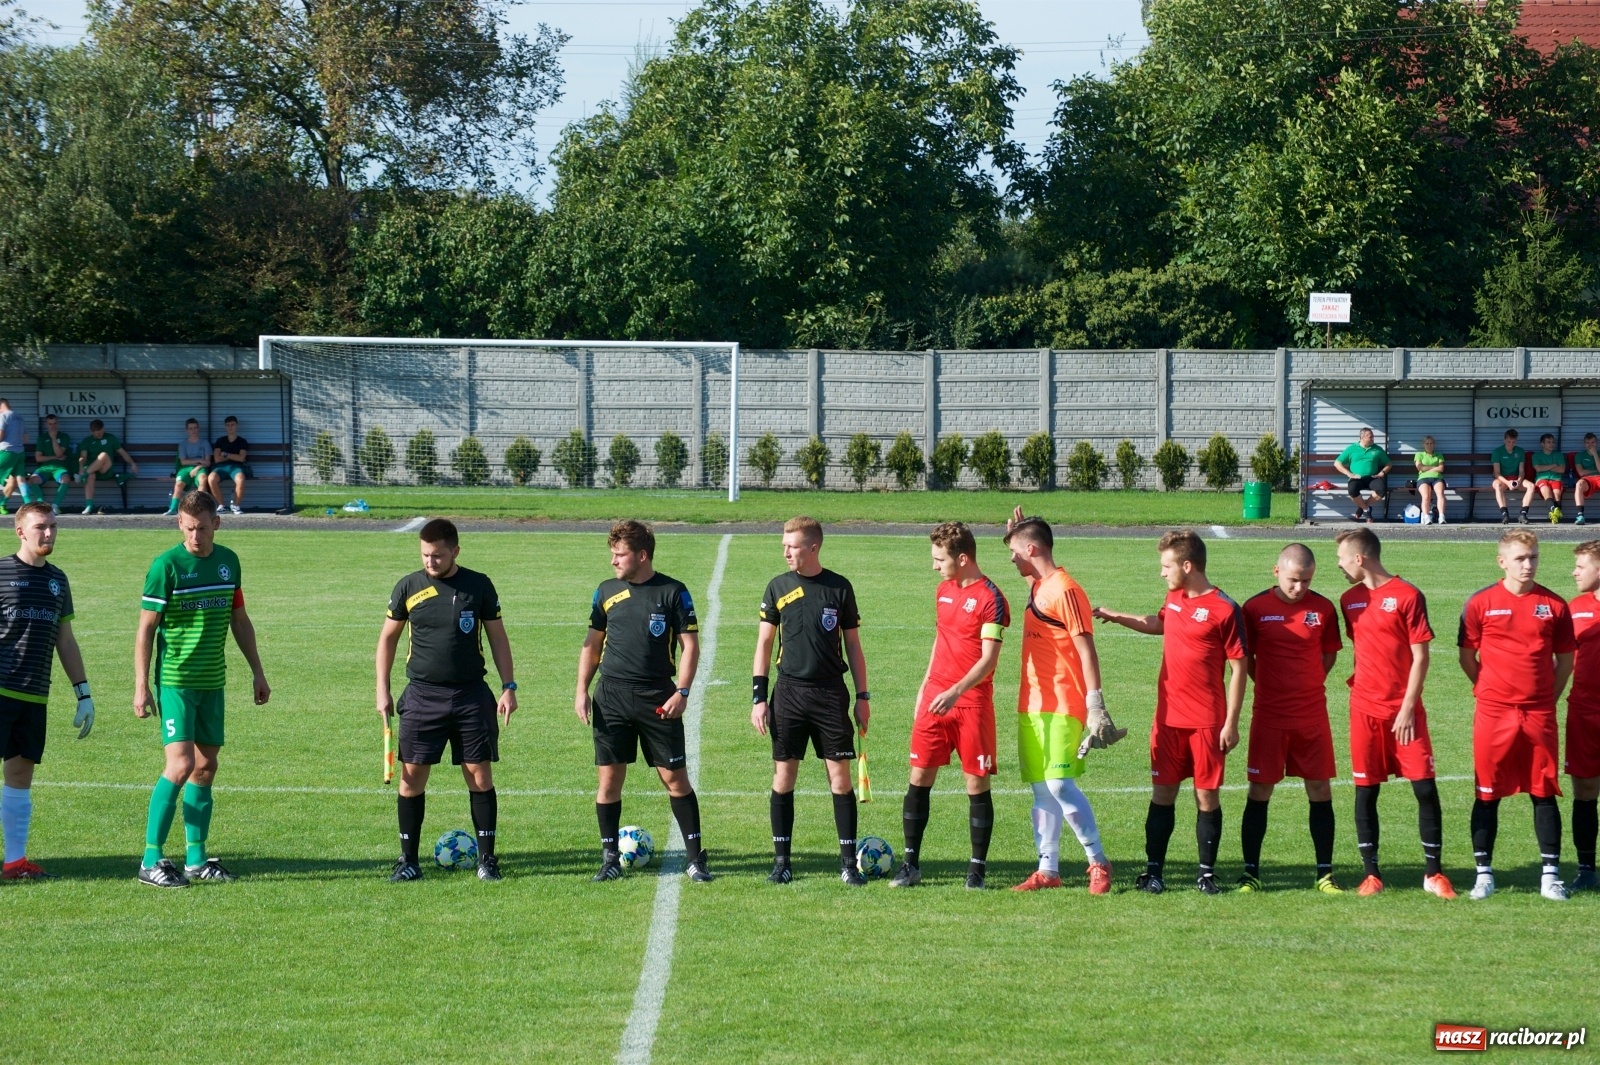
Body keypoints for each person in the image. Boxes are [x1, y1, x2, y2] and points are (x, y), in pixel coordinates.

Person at [1094, 530, 1245, 895]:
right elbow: (1160, 623)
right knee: (1162, 795)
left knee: (1206, 797)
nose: (1162, 573)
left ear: (1187, 565)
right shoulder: (1174, 596)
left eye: (1166, 565)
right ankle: (1154, 872)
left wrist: (1231, 723)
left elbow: (1239, 668)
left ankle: (1206, 874)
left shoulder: (1225, 609)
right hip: (1167, 720)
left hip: (1207, 722)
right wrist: (1114, 615)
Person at [133, 491, 269, 887]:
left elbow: (239, 620)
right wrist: (142, 686)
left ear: (217, 524)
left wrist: (258, 672)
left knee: (206, 768)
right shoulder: (166, 567)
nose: (196, 537)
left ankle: (195, 858)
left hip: (214, 680)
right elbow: (145, 629)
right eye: (189, 528)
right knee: (180, 766)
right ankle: (150, 860)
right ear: (180, 524)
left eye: (203, 528)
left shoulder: (229, 562)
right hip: (176, 680)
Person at [378, 518, 516, 882]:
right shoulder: (408, 586)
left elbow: (498, 638)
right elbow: (388, 640)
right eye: (425, 555)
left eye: (437, 555)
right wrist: (382, 689)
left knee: (480, 776)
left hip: (471, 695)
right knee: (411, 778)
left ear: (455, 550)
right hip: (423, 695)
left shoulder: (479, 585)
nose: (430, 562)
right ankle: (408, 860)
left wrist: (509, 686)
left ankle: (487, 861)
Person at [998, 511, 1124, 894]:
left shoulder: (1066, 590)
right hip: (1032, 703)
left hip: (1063, 703)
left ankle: (1098, 861)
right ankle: (1048, 869)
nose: (1011, 559)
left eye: (1015, 552)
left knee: (1059, 784)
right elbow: (1034, 583)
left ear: (1032, 548)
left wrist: (1095, 705)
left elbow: (1087, 651)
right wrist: (1013, 535)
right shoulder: (1039, 586)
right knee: (1041, 789)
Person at [577, 520, 710, 883]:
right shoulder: (606, 591)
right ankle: (609, 859)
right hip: (612, 697)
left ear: (642, 555)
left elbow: (691, 647)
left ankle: (696, 858)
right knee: (608, 782)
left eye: (619, 555)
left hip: (657, 698)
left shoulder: (673, 592)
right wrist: (581, 690)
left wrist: (682, 692)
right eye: (612, 555)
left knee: (675, 780)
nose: (613, 562)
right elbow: (591, 644)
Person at [1335, 528, 1453, 898]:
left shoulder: (1408, 595)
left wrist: (1406, 709)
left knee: (1424, 788)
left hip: (1405, 713)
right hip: (1364, 710)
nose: (1337, 565)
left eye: (1341, 558)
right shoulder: (1349, 600)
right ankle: (1372, 874)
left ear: (1360, 557)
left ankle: (1433, 874)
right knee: (1366, 791)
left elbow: (1421, 656)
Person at [1457, 529, 1575, 901]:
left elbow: (1566, 661)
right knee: (1487, 791)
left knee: (1544, 790)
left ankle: (1550, 876)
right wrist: (1490, 690)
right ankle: (1483, 874)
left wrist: (1546, 698)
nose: (1528, 565)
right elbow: (1466, 657)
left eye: (1534, 557)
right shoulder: (1480, 603)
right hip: (1493, 713)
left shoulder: (1554, 605)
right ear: (1502, 561)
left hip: (1539, 712)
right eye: (1521, 558)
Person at [891, 522, 1009, 890]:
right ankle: (910, 865)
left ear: (962, 557)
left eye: (939, 559)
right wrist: (925, 687)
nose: (934, 566)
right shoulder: (942, 590)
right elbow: (940, 641)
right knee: (919, 777)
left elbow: (989, 660)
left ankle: (976, 870)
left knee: (976, 784)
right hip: (935, 700)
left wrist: (956, 691)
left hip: (970, 704)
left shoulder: (992, 598)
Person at [752, 516, 868, 885]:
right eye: (784, 545)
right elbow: (765, 644)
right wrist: (759, 698)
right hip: (788, 693)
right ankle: (782, 862)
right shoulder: (777, 586)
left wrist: (863, 696)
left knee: (840, 779)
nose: (786, 551)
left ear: (813, 547)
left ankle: (848, 863)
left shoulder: (840, 588)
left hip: (831, 693)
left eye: (793, 545)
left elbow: (853, 645)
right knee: (783, 778)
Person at [1239, 544, 1344, 893]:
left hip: (1312, 715)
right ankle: (1250, 873)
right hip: (1269, 715)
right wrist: (1270, 684)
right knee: (1260, 789)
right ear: (1276, 571)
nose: (1300, 588)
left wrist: (1308, 682)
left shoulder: (1324, 608)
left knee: (1319, 788)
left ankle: (1325, 873)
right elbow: (1245, 658)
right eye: (1293, 580)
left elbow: (1328, 655)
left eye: (1307, 581)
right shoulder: (1254, 609)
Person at [0, 503, 95, 879]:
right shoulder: (1, 572)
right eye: (41, 527)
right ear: (20, 531)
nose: (49, 534)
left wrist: (83, 693)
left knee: (20, 775)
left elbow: (65, 640)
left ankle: (14, 861)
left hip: (35, 695)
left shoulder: (58, 580)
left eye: (54, 526)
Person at [1566, 541, 1600, 892]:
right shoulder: (1574, 609)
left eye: (1581, 565)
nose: (1574, 572)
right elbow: (1557, 664)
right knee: (1585, 789)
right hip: (1584, 712)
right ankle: (1586, 868)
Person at [78, 419, 138, 516]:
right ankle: (89, 506)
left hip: (105, 470)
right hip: (93, 470)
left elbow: (122, 453)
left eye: (101, 432)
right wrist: (81, 467)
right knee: (91, 476)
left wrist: (132, 463)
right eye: (97, 434)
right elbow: (83, 457)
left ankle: (84, 474)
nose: (100, 435)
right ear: (91, 431)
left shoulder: (111, 438)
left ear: (103, 428)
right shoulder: (86, 441)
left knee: (104, 455)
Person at [1333, 427, 1390, 524]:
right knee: (1352, 490)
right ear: (1362, 437)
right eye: (1370, 437)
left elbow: (1389, 464)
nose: (1373, 438)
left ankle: (1362, 507)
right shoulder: (1351, 449)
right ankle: (1367, 510)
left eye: (1373, 436)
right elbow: (1337, 463)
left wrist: (1382, 473)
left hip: (1372, 477)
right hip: (1357, 478)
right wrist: (1349, 474)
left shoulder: (1377, 449)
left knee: (1381, 490)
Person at [24, 413, 75, 515]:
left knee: (66, 478)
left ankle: (55, 506)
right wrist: (56, 457)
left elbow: (59, 453)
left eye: (55, 423)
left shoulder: (64, 436)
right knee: (32, 479)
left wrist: (53, 439)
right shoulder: (42, 438)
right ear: (46, 425)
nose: (53, 426)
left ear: (58, 424)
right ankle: (41, 506)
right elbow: (38, 458)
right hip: (45, 467)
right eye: (50, 424)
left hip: (59, 468)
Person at [206, 416, 249, 515]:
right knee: (211, 478)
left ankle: (236, 506)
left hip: (236, 467)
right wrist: (233, 456)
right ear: (225, 427)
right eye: (228, 425)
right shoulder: (220, 441)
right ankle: (221, 505)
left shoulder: (242, 441)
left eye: (232, 425)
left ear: (236, 425)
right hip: (221, 468)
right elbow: (217, 459)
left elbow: (241, 458)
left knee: (241, 479)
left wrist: (225, 454)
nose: (230, 427)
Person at [169, 419, 212, 516]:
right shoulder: (183, 444)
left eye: (195, 428)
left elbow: (208, 462)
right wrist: (199, 460)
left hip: (200, 468)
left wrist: (197, 467)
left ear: (199, 429)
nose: (193, 431)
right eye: (191, 428)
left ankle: (199, 508)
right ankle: (173, 508)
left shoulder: (205, 443)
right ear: (187, 430)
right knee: (179, 483)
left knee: (203, 479)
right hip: (186, 468)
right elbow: (183, 461)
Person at [1489, 429, 1531, 525]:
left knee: (1531, 486)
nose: (1511, 444)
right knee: (1496, 485)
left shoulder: (1520, 451)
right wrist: (1508, 483)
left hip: (1516, 478)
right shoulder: (1497, 451)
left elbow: (1521, 471)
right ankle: (1504, 514)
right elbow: (1497, 473)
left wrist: (1519, 481)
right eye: (1508, 441)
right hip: (1503, 479)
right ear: (1504, 440)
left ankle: (1523, 514)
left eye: (1513, 442)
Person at [1529, 433, 1565, 524]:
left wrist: (1544, 467)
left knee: (1557, 494)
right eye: (1548, 442)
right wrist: (1553, 465)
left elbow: (1562, 470)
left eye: (1553, 442)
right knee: (1546, 490)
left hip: (1556, 478)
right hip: (1542, 479)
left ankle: (1555, 515)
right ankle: (1554, 511)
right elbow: (1538, 468)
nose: (1551, 444)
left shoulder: (1559, 455)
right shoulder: (1536, 456)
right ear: (1542, 444)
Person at [0, 398, 26, 512]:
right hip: (20, 452)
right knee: (15, 479)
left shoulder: (3, 416)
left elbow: (1, 434)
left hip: (6, 451)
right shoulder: (20, 417)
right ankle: (3, 504)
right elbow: (25, 438)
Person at [1413, 436, 1446, 526]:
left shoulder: (1439, 455)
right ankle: (1426, 517)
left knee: (1440, 493)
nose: (1429, 445)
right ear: (1423, 445)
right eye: (1427, 443)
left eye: (1431, 443)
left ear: (1434, 444)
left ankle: (1441, 516)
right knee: (1426, 496)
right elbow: (1419, 467)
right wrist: (1435, 467)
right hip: (1423, 478)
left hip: (1437, 478)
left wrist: (1426, 468)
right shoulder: (1419, 454)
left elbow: (1441, 468)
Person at [1572, 433, 1600, 526]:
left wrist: (1595, 454)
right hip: (1587, 480)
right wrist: (1595, 470)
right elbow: (1581, 472)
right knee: (1579, 484)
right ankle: (1580, 515)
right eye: (1588, 443)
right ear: (1584, 444)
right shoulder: (1579, 456)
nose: (1590, 445)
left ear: (1597, 443)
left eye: (1593, 442)